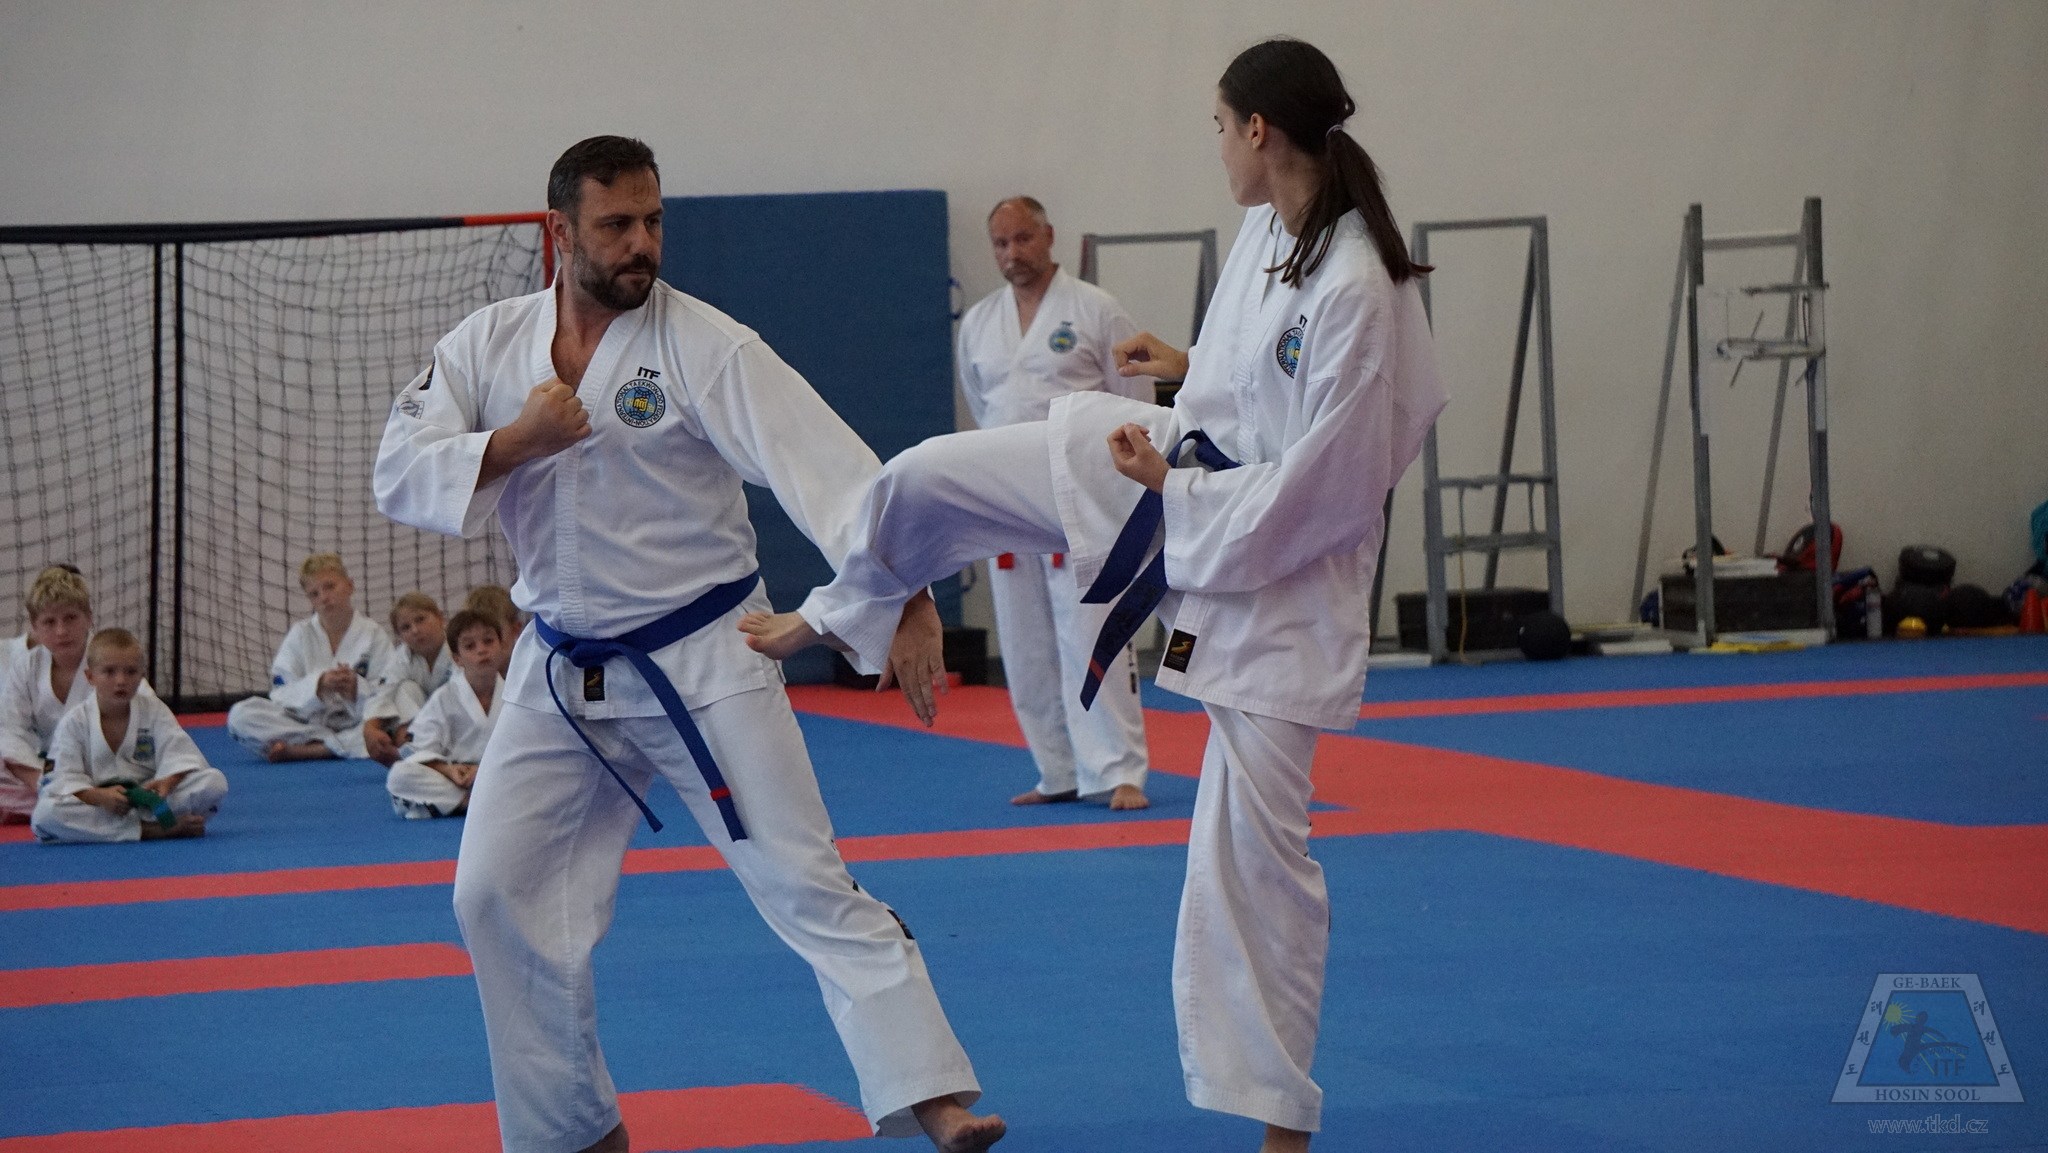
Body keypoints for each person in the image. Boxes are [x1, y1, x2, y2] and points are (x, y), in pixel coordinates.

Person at [741, 39, 1445, 1153]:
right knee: (929, 474)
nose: (1216, 147)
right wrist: (1182, 374)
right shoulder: (1273, 230)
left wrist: (1175, 485)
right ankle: (848, 606)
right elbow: (1252, 387)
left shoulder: (1358, 281)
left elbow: (1334, 486)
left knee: (1252, 860)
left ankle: (1281, 1125)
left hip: (1278, 570)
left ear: (1258, 129)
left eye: (1218, 126)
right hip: (1172, 472)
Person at [374, 135, 1002, 1153]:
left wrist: (907, 589)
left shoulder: (706, 346)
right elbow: (398, 468)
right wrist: (517, 441)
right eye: (616, 224)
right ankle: (569, 1130)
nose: (642, 243)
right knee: (490, 894)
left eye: (653, 221)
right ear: (560, 230)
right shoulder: (487, 344)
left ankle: (935, 1095)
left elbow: (831, 471)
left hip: (706, 653)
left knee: (800, 877)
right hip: (558, 670)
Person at [959, 196, 1152, 811]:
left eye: (1023, 239)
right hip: (1006, 499)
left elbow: (1135, 401)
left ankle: (1119, 769)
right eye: (1001, 243)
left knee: (1092, 629)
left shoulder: (1096, 309)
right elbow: (982, 407)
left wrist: (1125, 488)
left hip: (1082, 496)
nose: (1012, 253)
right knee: (1024, 645)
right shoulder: (979, 323)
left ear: (1048, 236)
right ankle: (1057, 769)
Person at [31, 628, 227, 843]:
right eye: (109, 672)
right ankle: (151, 830)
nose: (121, 681)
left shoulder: (154, 710)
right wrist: (99, 796)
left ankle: (126, 827)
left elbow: (180, 754)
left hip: (148, 800)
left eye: (131, 672)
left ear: (142, 675)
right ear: (90, 677)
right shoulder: (74, 722)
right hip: (101, 805)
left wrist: (167, 782)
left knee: (213, 782)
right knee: (45, 815)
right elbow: (62, 778)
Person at [226, 553, 395, 762]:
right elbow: (280, 694)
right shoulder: (300, 634)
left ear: (350, 586)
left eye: (330, 586)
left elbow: (387, 693)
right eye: (314, 594)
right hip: (309, 724)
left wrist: (356, 690)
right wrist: (318, 686)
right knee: (240, 715)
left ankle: (309, 750)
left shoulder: (374, 635)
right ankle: (332, 744)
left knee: (392, 723)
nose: (324, 597)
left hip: (357, 721)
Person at [0, 566, 98, 820]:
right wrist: (41, 783)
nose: (61, 631)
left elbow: (145, 723)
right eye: (50, 622)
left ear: (89, 618)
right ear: (35, 626)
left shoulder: (110, 661)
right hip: (42, 773)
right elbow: (11, 732)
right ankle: (71, 807)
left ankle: (59, 808)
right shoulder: (26, 666)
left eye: (70, 618)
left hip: (99, 769)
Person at [385, 609, 502, 819]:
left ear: (500, 646)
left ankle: (459, 803)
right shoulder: (445, 697)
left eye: (488, 641)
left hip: (500, 774)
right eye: (470, 646)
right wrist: (448, 770)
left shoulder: (515, 694)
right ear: (457, 658)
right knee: (399, 776)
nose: (482, 650)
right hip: (459, 778)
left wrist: (484, 771)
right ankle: (468, 802)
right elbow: (416, 750)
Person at [362, 592, 454, 766]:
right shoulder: (401, 659)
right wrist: (371, 729)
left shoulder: (458, 649)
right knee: (405, 688)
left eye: (420, 620)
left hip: (457, 726)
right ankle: (409, 746)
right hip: (421, 731)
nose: (415, 630)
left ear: (440, 618)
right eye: (405, 627)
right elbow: (382, 693)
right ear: (400, 636)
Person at [463, 584, 521, 676]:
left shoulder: (535, 670)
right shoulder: (456, 681)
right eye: (471, 644)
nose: (481, 649)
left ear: (515, 630)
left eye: (488, 639)